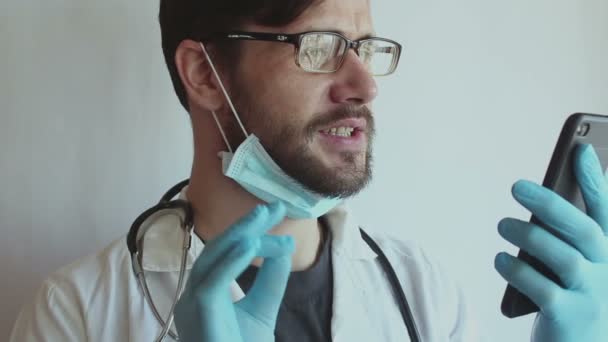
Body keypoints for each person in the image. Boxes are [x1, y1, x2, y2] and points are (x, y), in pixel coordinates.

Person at [10, 0, 608, 341]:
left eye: (367, 48)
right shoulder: (76, 313)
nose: (365, 85)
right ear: (203, 74)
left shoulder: (424, 290)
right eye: (318, 47)